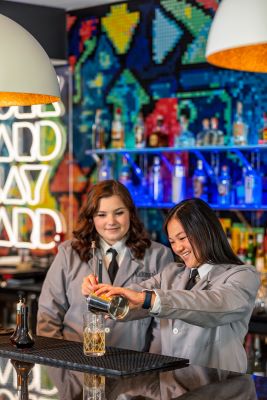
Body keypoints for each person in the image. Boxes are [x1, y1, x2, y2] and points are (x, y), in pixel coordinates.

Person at [82, 198, 260, 373]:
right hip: (171, 389)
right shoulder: (172, 273)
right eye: (172, 241)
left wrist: (148, 299)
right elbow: (134, 295)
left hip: (217, 391)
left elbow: (215, 303)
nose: (178, 248)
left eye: (182, 238)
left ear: (206, 231)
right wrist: (100, 295)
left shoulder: (242, 275)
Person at [37, 179, 173, 352]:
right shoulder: (68, 253)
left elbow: (163, 322)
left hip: (133, 366)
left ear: (130, 213)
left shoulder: (158, 255)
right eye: (101, 215)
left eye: (119, 213)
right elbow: (48, 316)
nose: (111, 222)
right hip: (75, 364)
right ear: (91, 218)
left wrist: (152, 366)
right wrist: (59, 363)